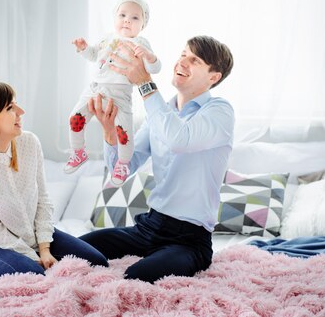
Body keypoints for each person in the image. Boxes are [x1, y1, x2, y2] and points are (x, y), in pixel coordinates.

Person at [79, 35, 234, 283]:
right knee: (76, 250)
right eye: (183, 55)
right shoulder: (159, 113)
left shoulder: (219, 112)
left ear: (213, 77)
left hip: (189, 240)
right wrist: (109, 134)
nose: (182, 62)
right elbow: (122, 168)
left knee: (137, 277)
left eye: (194, 60)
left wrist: (144, 82)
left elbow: (178, 139)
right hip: (149, 226)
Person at [0, 82, 108, 280]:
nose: (21, 112)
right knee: (36, 277)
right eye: (10, 108)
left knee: (99, 263)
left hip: (36, 236)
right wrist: (34, 257)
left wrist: (44, 248)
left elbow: (43, 200)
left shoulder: (29, 143)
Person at [64, 0, 161, 187]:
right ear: (115, 18)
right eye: (122, 15)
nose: (127, 20)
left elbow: (155, 68)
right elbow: (94, 55)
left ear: (143, 25)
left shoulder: (141, 43)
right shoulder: (107, 38)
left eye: (135, 18)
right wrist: (83, 49)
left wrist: (149, 56)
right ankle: (78, 151)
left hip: (120, 93)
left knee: (123, 132)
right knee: (75, 118)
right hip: (95, 88)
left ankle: (122, 165)